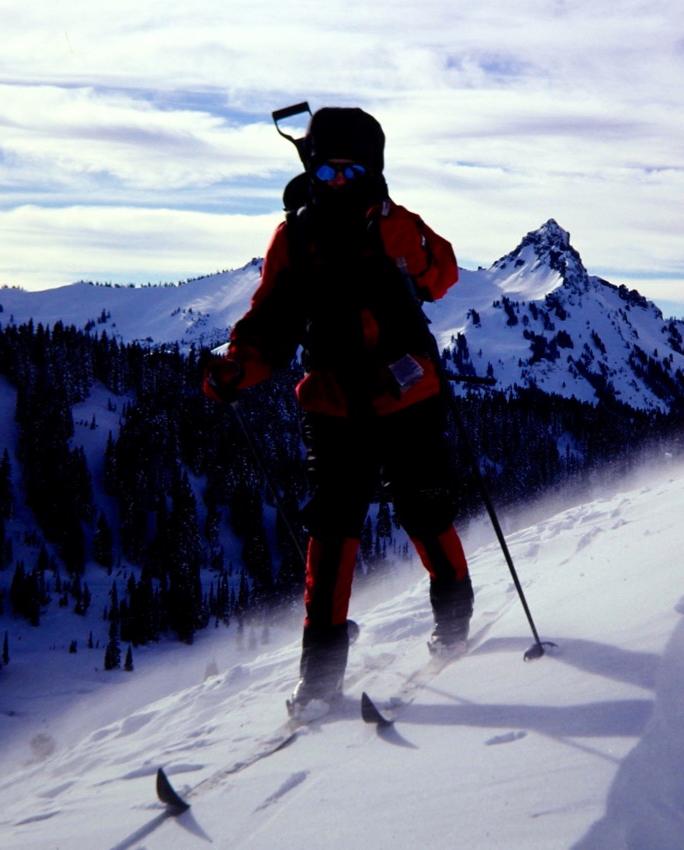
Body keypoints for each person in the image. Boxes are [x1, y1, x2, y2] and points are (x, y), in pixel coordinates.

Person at [202, 106, 474, 718]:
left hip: (408, 396)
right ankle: (320, 679)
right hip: (332, 400)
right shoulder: (295, 239)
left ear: (373, 170)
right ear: (311, 171)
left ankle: (455, 621)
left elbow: (442, 273)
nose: (339, 182)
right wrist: (237, 368)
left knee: (423, 508)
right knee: (331, 531)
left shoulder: (398, 225)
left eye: (351, 171)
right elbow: (269, 324)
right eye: (327, 172)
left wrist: (407, 252)